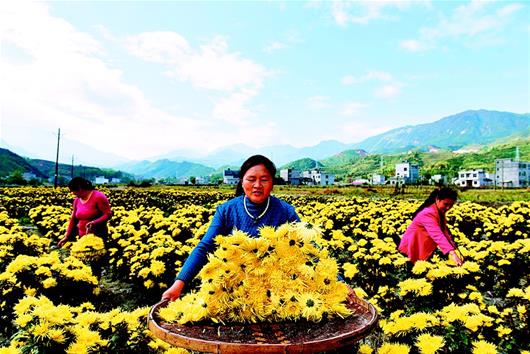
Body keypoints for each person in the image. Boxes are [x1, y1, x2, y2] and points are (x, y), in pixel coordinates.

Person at [161, 155, 358, 304]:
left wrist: (339, 283)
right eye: (251, 179)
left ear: (272, 182)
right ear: (242, 181)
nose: (257, 185)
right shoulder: (227, 211)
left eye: (264, 179)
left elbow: (311, 248)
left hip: (278, 292)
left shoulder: (285, 211)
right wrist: (178, 285)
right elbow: (204, 248)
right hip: (235, 289)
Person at [398, 187, 464, 266]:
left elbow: (444, 231)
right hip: (411, 248)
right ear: (437, 200)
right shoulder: (428, 213)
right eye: (446, 204)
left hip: (422, 248)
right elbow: (437, 234)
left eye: (451, 205)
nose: (448, 208)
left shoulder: (439, 212)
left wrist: (453, 247)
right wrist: (453, 254)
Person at [57, 177, 112, 248]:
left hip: (97, 237)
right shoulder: (77, 200)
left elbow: (108, 214)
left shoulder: (98, 197)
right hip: (82, 237)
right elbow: (73, 219)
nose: (73, 193)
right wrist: (67, 236)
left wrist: (94, 222)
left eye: (73, 191)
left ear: (80, 188)